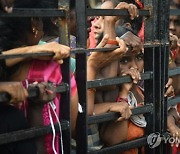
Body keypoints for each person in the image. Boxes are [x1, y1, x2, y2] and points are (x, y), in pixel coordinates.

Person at [0, 1, 78, 154]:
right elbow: (73, 125)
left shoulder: (8, 63)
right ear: (34, 23)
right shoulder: (53, 67)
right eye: (42, 21)